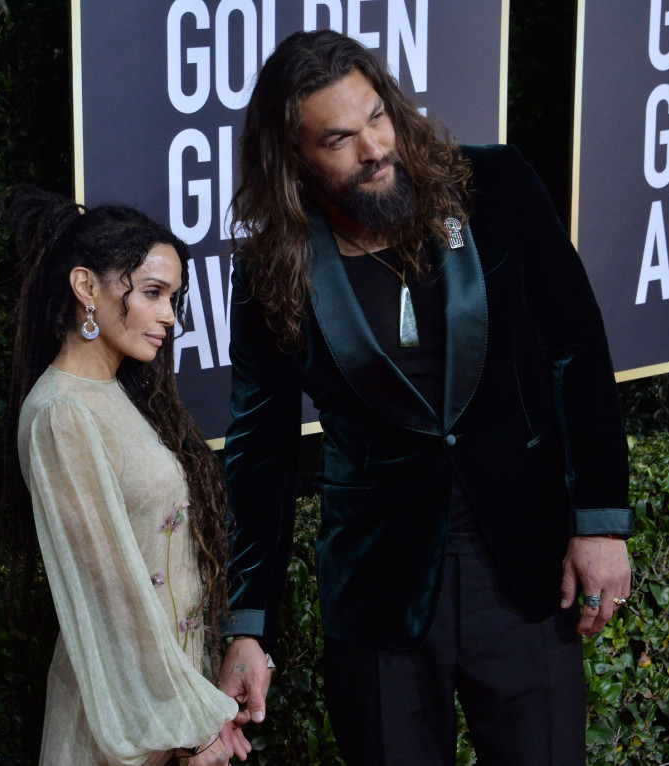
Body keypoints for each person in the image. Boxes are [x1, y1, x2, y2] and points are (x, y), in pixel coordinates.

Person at [216, 29, 633, 765]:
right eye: (340, 138)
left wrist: (599, 521)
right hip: (380, 593)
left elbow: (576, 345)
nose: (374, 148)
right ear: (295, 160)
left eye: (377, 116)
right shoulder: (271, 271)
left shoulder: (495, 184)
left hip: (524, 568)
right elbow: (262, 450)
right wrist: (247, 624)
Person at [1, 186, 251, 766]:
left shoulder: (115, 395)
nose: (168, 315)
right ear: (87, 287)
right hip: (117, 727)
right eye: (152, 293)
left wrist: (196, 714)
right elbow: (110, 592)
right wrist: (192, 726)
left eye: (173, 297)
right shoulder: (62, 414)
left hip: (165, 712)